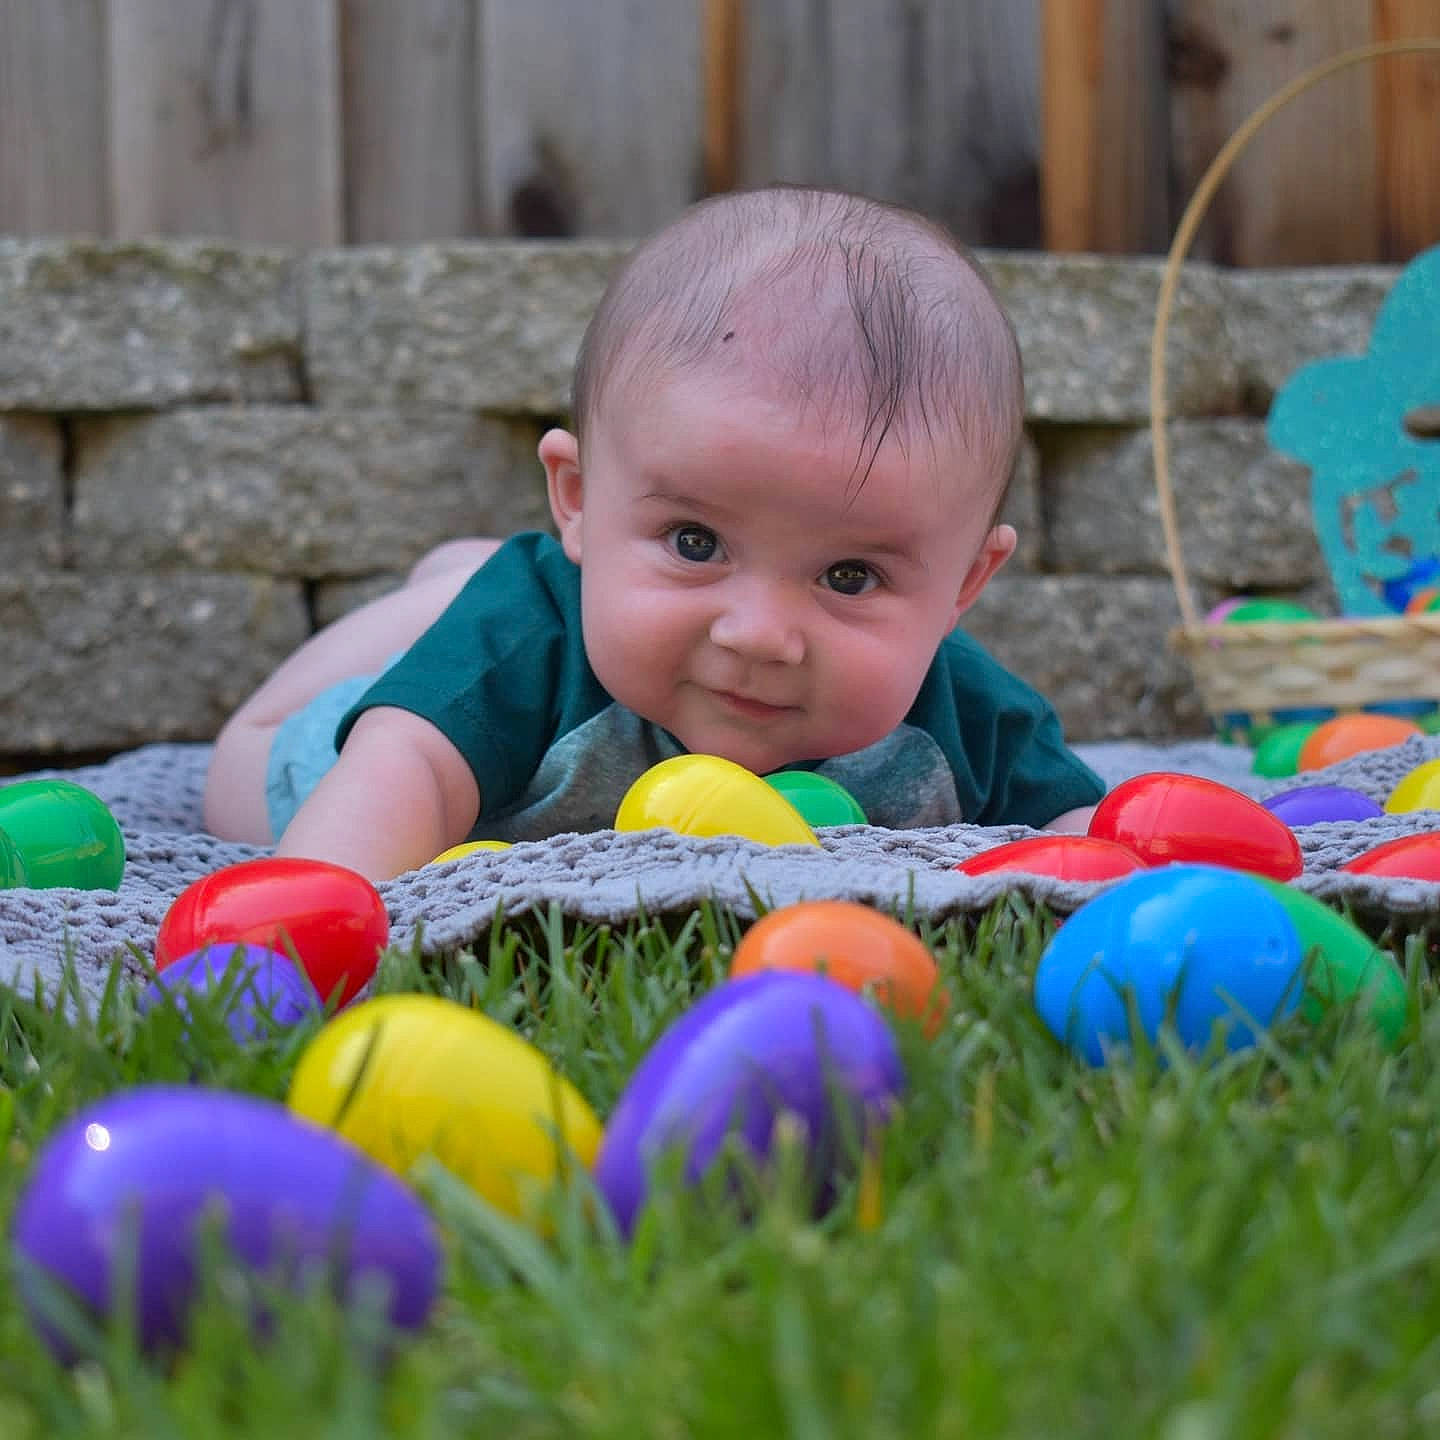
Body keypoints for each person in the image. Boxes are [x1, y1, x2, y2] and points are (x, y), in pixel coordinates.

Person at [203, 185, 1103, 881]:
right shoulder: (524, 648)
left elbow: (1083, 840)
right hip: (350, 745)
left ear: (962, 588)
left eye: (850, 577)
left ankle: (489, 571)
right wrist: (313, 922)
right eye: (696, 543)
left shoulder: (969, 715)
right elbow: (401, 779)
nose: (757, 635)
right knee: (246, 772)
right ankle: (458, 589)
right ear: (581, 496)